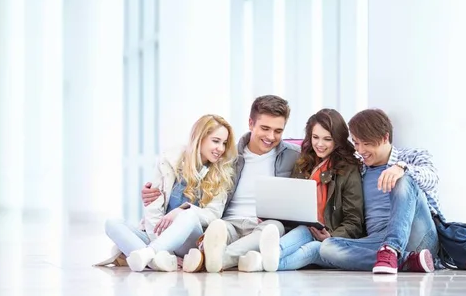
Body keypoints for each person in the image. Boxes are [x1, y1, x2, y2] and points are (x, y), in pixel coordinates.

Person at [142, 95, 300, 272]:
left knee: (274, 227)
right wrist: (158, 191)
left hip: (262, 225)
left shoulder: (294, 156)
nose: (271, 136)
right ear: (250, 123)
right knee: (217, 228)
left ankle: (214, 259)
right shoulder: (227, 155)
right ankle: (243, 260)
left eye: (278, 131)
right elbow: (192, 177)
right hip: (227, 224)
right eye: (265, 128)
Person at [100, 114, 237, 272]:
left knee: (189, 214)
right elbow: (153, 211)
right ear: (200, 138)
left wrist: (181, 210)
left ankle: (149, 255)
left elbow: (213, 214)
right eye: (216, 141)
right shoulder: (169, 161)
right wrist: (164, 248)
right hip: (158, 236)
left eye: (224, 143)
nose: (220, 148)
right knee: (112, 223)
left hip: (190, 241)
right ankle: (158, 261)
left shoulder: (222, 173)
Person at [240, 108, 364, 272]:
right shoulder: (303, 163)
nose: (320, 144)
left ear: (338, 140)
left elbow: (354, 221)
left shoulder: (349, 169)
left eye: (327, 139)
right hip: (300, 230)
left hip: (328, 236)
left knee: (310, 245)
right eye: (315, 137)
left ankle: (262, 259)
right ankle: (265, 260)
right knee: (304, 230)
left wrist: (332, 236)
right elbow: (290, 204)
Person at [319, 108, 439, 274]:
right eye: (356, 143)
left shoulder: (410, 157)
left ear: (385, 138)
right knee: (327, 248)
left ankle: (392, 250)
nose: (360, 150)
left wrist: (401, 168)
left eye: (366, 143)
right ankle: (407, 261)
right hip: (377, 242)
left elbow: (432, 177)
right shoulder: (359, 167)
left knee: (403, 179)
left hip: (417, 235)